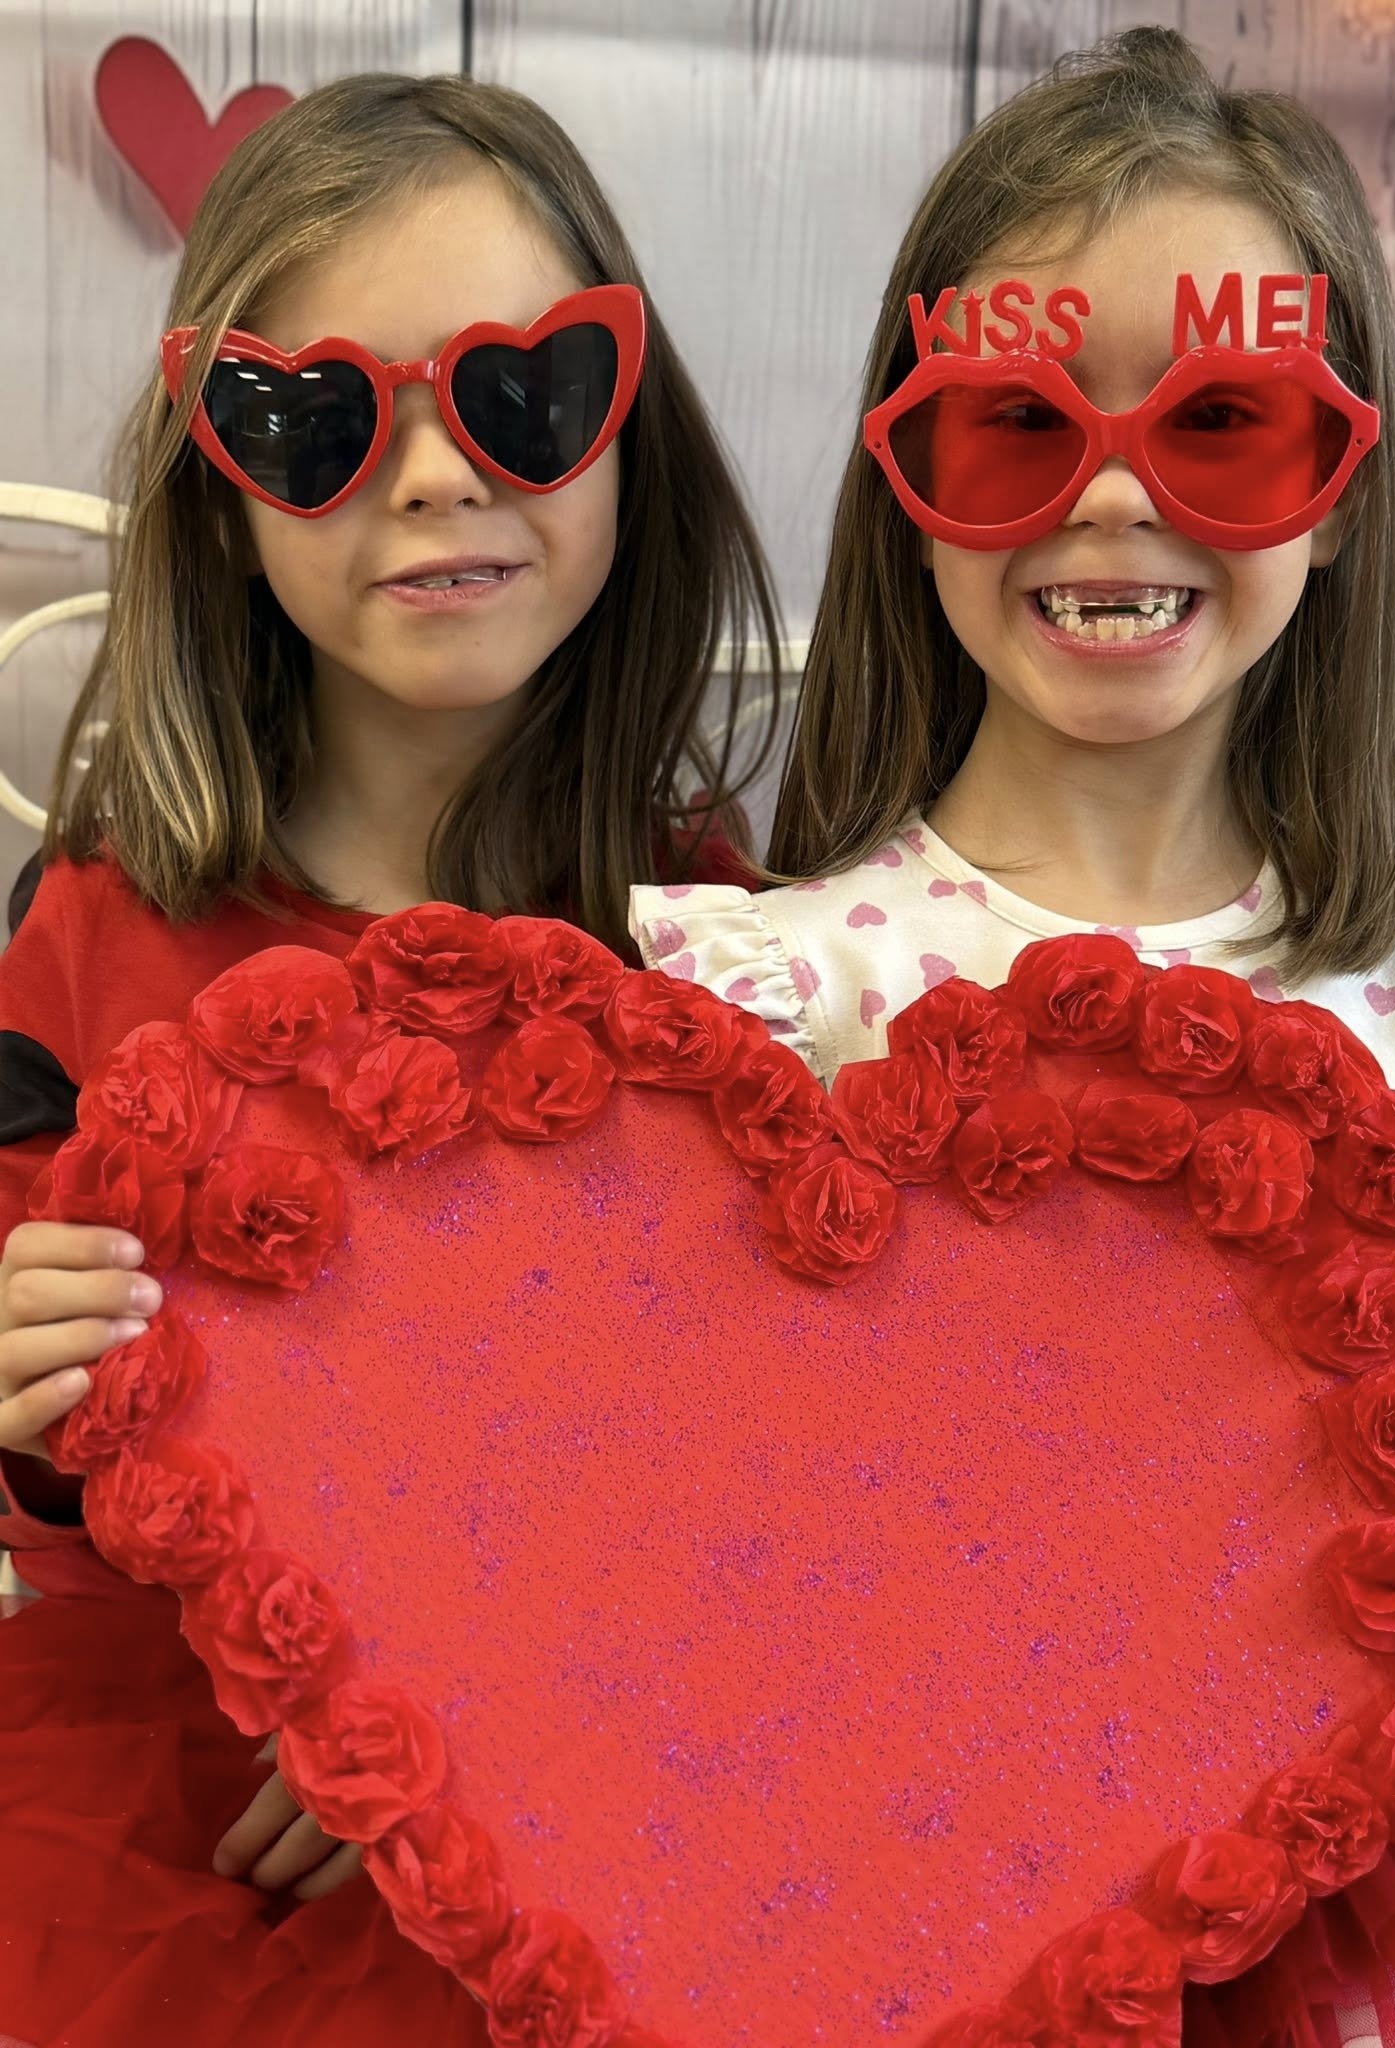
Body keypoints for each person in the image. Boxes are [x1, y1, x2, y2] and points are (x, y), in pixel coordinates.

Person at [632, 28, 1395, 2046]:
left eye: (1225, 423)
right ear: (909, 485)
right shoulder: (751, 1006)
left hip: (1351, 1928)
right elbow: (665, 1541)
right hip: (859, 1918)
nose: (1116, 495)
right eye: (1015, 429)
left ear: (1342, 487)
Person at [0, 69, 777, 2046]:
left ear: (631, 432)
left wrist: (493, 1707)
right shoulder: (94, 930)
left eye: (522, 393)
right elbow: (55, 1490)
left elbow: (765, 1464)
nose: (434, 476)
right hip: (180, 1784)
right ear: (222, 486)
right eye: (320, 422)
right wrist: (23, 1389)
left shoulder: (725, 950)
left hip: (602, 1772)